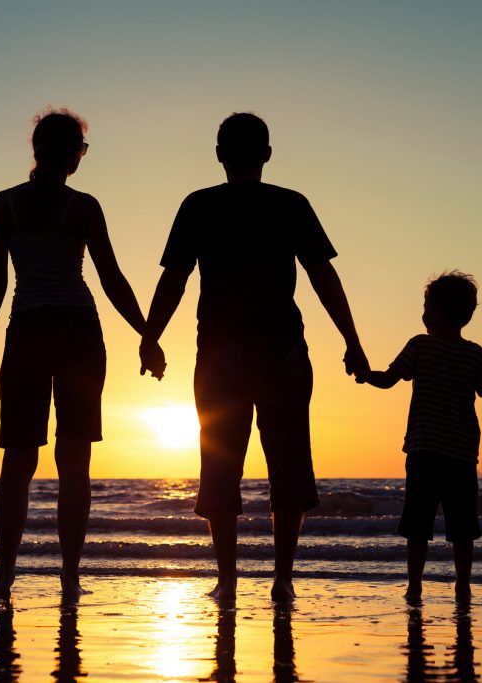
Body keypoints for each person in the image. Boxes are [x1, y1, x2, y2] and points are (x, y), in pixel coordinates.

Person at [138, 112, 369, 603]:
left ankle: (228, 579)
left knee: (220, 464)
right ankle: (282, 578)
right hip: (281, 352)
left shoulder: (198, 205)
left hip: (221, 356)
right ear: (266, 154)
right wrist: (352, 340)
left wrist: (150, 335)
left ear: (219, 154)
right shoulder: (290, 204)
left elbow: (173, 279)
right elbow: (324, 277)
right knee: (288, 462)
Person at [0, 109, 154, 600]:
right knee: (74, 461)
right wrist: (147, 332)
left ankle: (5, 576)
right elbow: (111, 277)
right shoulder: (83, 206)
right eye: (82, 150)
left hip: (27, 331)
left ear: (35, 150)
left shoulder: (5, 204)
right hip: (76, 332)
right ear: (73, 153)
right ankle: (69, 578)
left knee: (18, 459)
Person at [357, 271, 482, 602]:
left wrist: (365, 374)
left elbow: (389, 380)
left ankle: (414, 586)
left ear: (438, 312)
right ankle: (463, 586)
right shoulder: (475, 354)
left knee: (418, 523)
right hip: (461, 454)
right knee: (462, 527)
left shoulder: (421, 345)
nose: (423, 311)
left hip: (424, 450)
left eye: (426, 304)